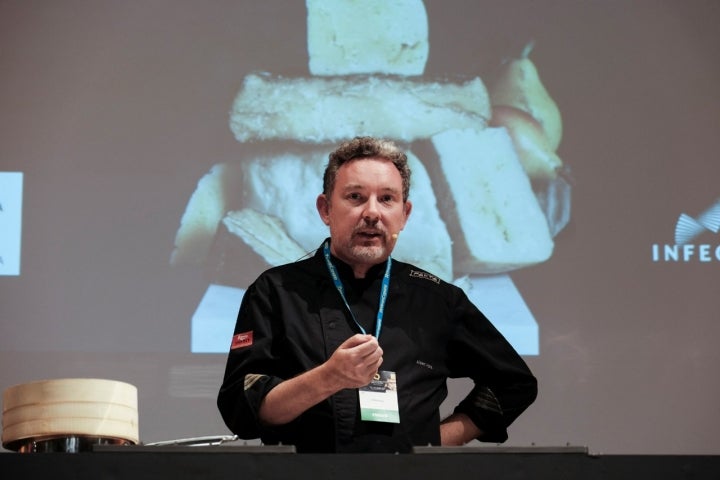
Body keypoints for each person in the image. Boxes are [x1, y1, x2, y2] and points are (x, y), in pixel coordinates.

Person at [217, 136, 537, 453]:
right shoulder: (276, 291)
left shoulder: (437, 299)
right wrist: (328, 377)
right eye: (355, 197)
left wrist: (436, 443)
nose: (372, 213)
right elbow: (241, 409)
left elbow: (514, 383)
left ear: (404, 214)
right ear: (326, 209)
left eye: (387, 199)